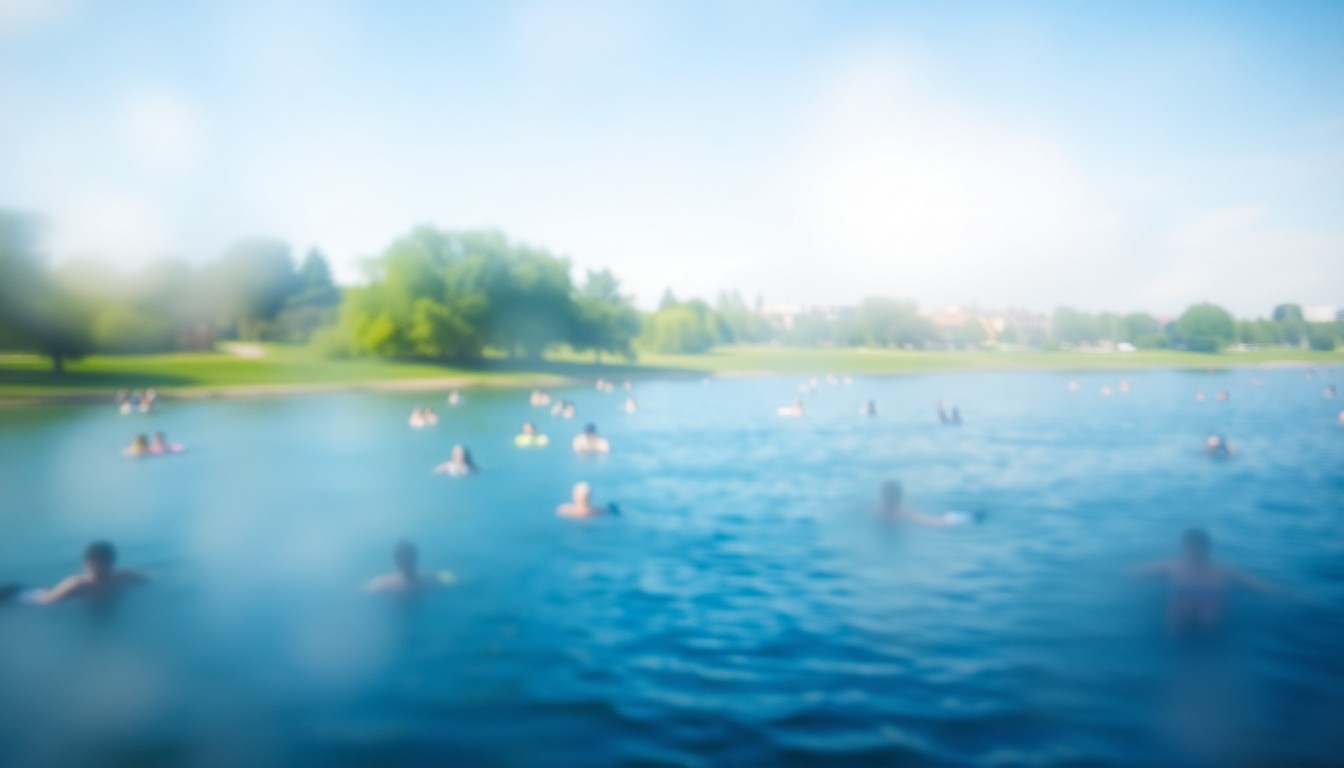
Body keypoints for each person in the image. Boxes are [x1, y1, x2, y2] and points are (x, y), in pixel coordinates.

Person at [1129, 528, 1276, 635]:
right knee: (1177, 617)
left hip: (1210, 600)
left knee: (1209, 619)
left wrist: (1278, 594)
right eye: (1191, 546)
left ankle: (1206, 652)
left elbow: (1255, 585)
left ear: (1207, 548)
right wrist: (1123, 575)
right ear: (1185, 547)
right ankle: (1176, 650)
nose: (1195, 551)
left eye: (1198, 546)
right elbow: (1139, 573)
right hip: (1182, 598)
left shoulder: (1222, 570)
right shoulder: (1172, 566)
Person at [35, 541, 150, 605]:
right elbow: (46, 602)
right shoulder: (76, 584)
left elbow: (152, 581)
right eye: (96, 562)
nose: (101, 566)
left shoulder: (126, 576)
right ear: (86, 563)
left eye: (105, 561)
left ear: (112, 561)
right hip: (38, 595)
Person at [876, 481, 973, 527]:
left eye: (893, 496)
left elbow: (930, 521)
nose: (891, 499)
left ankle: (962, 517)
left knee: (940, 521)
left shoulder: (904, 513)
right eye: (889, 496)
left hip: (942, 521)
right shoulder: (877, 511)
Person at [366, 540, 443, 594]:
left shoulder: (381, 584)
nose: (407, 563)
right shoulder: (429, 581)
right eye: (405, 559)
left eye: (409, 559)